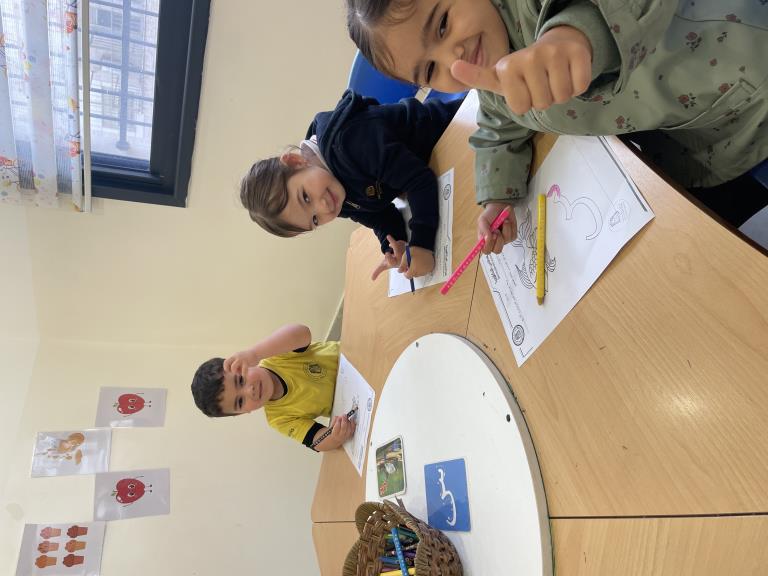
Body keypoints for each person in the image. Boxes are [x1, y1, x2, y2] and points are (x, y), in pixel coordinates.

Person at [346, 0, 768, 251]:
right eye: (430, 70)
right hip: (692, 139)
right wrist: (497, 196)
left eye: (442, 24)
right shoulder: (485, 69)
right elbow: (499, 120)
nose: (453, 60)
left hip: (746, 82)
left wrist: (576, 34)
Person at [240, 89, 462, 280]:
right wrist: (394, 245)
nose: (324, 207)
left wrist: (422, 243)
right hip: (439, 172)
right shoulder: (333, 192)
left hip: (451, 131)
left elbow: (418, 180)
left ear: (296, 162)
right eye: (315, 220)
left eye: (306, 197)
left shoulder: (349, 144)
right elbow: (379, 215)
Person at [190, 323, 354, 451]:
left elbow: (303, 333)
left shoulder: (275, 355)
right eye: (240, 402)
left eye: (240, 380)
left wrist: (255, 353)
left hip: (354, 357)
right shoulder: (278, 419)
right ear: (242, 413)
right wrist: (334, 437)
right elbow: (315, 440)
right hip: (355, 400)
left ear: (241, 364)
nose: (250, 390)